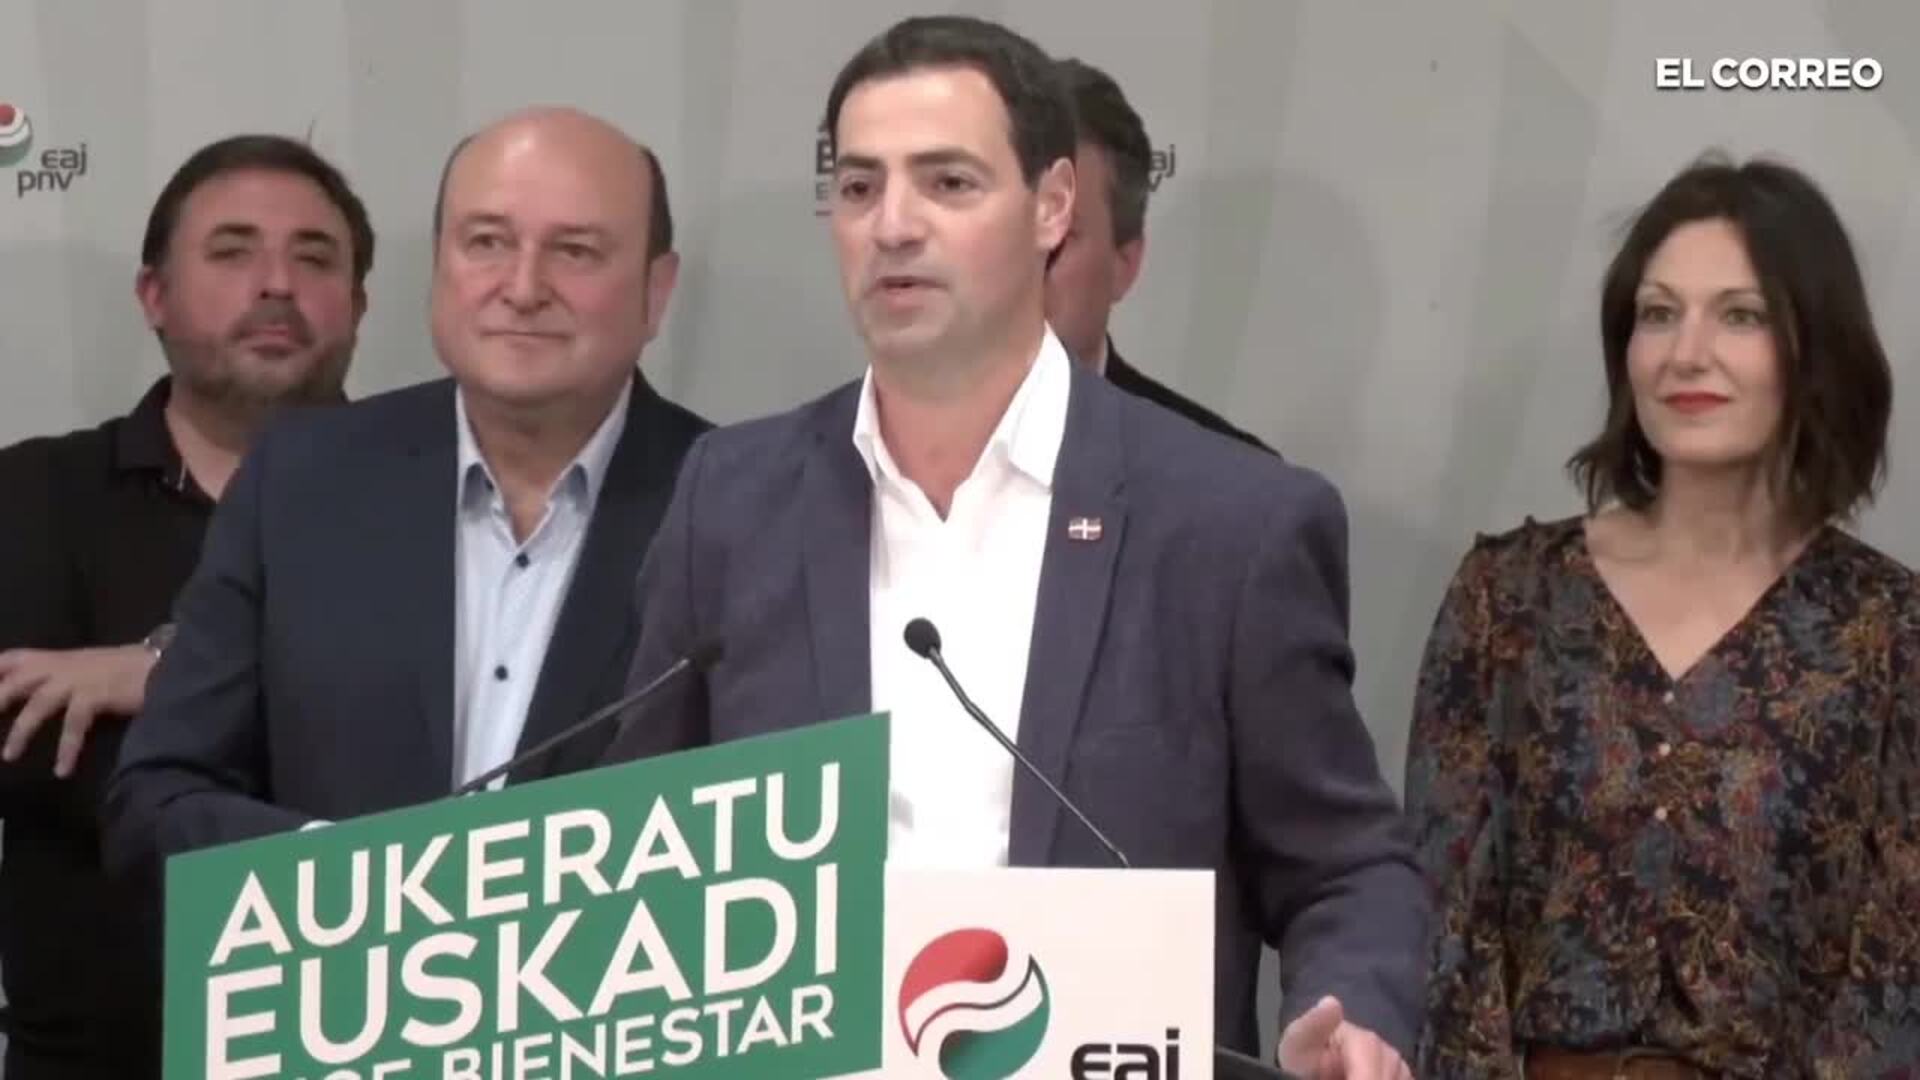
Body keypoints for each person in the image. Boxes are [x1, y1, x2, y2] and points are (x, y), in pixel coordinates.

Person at [602, 16, 1424, 1077]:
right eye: (858, 187)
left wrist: (1353, 1016)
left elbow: (1344, 866)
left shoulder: (1228, 523)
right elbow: (637, 853)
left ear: (1053, 207)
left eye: (947, 182)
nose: (892, 225)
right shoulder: (732, 500)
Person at [1405, 155, 1920, 1078]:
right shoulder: (1508, 600)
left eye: (1740, 315)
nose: (1687, 353)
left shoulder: (1888, 632)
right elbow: (1446, 926)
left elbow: (1901, 968)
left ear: (1813, 345)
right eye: (1658, 313)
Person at [104, 108, 710, 871]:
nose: (523, 288)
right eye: (486, 243)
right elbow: (159, 797)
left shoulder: (737, 502)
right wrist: (359, 884)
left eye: (575, 251)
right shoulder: (299, 480)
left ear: (657, 289)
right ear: (438, 265)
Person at [0, 134, 371, 1079]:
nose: (277, 284)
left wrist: (159, 673)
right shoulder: (31, 495)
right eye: (233, 251)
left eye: (315, 258)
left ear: (360, 305)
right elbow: (43, 757)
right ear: (153, 295)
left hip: (373, 1042)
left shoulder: (436, 503)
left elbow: (426, 773)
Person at [1043, 56, 1269, 451]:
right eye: (998, 231)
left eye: (1058, 234)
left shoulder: (1228, 472)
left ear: (1125, 265)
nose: (1014, 264)